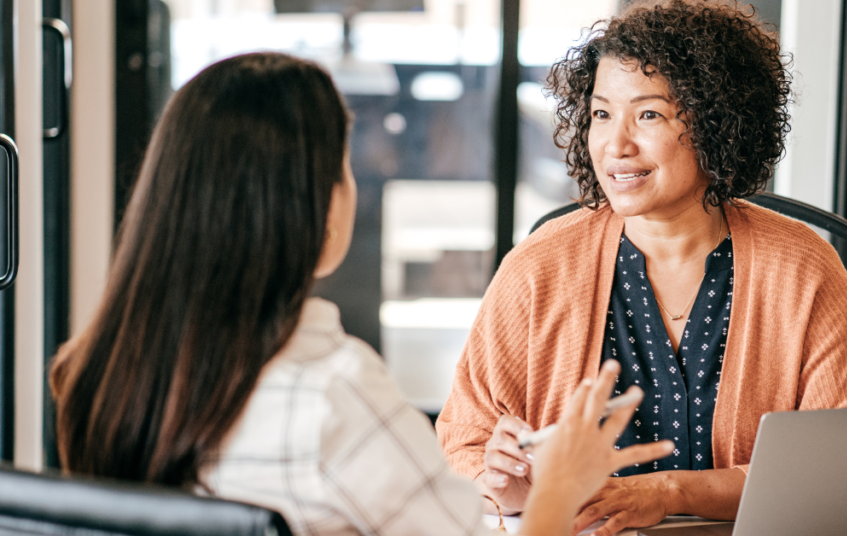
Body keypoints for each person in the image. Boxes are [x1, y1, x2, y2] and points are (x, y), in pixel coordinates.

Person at [48, 52, 672, 536]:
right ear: (312, 207)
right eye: (344, 165)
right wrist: (559, 488)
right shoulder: (333, 392)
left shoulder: (96, 373)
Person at [436, 1, 847, 534]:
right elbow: (464, 445)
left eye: (648, 114)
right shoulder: (539, 267)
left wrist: (671, 491)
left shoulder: (802, 268)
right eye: (602, 114)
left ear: (718, 122)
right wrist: (507, 488)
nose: (615, 145)